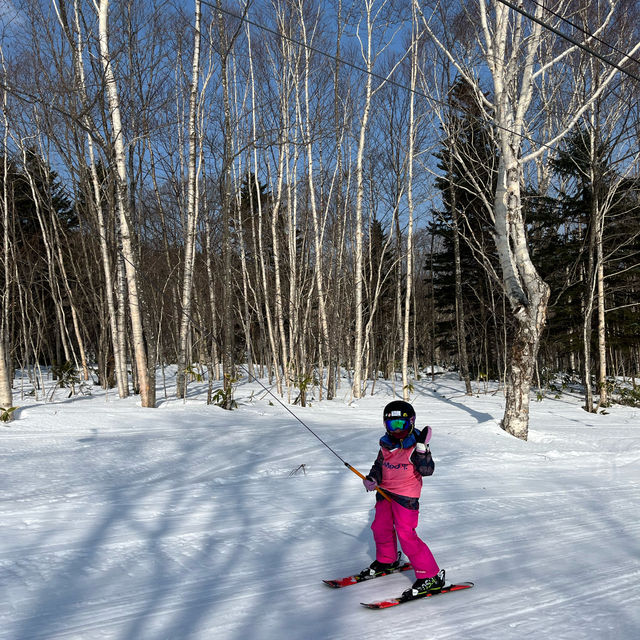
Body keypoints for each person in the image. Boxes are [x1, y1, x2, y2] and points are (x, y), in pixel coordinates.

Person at [360, 400, 445, 598]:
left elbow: (427, 470)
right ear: (385, 425)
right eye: (392, 425)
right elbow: (379, 465)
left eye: (401, 424)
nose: (397, 429)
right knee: (380, 527)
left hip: (406, 496)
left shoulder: (416, 445)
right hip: (384, 492)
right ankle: (387, 560)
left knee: (406, 534)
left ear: (412, 423)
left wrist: (423, 450)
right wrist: (373, 478)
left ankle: (430, 576)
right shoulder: (385, 444)